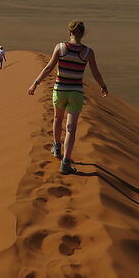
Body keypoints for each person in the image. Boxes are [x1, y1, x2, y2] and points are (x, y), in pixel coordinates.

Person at [28, 21, 108, 174]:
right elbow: (96, 73)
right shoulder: (88, 52)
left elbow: (48, 68)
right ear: (83, 33)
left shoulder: (60, 47)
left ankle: (56, 147)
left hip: (60, 90)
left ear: (69, 32)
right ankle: (65, 162)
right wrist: (103, 86)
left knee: (58, 119)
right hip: (76, 93)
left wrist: (35, 84)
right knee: (71, 128)